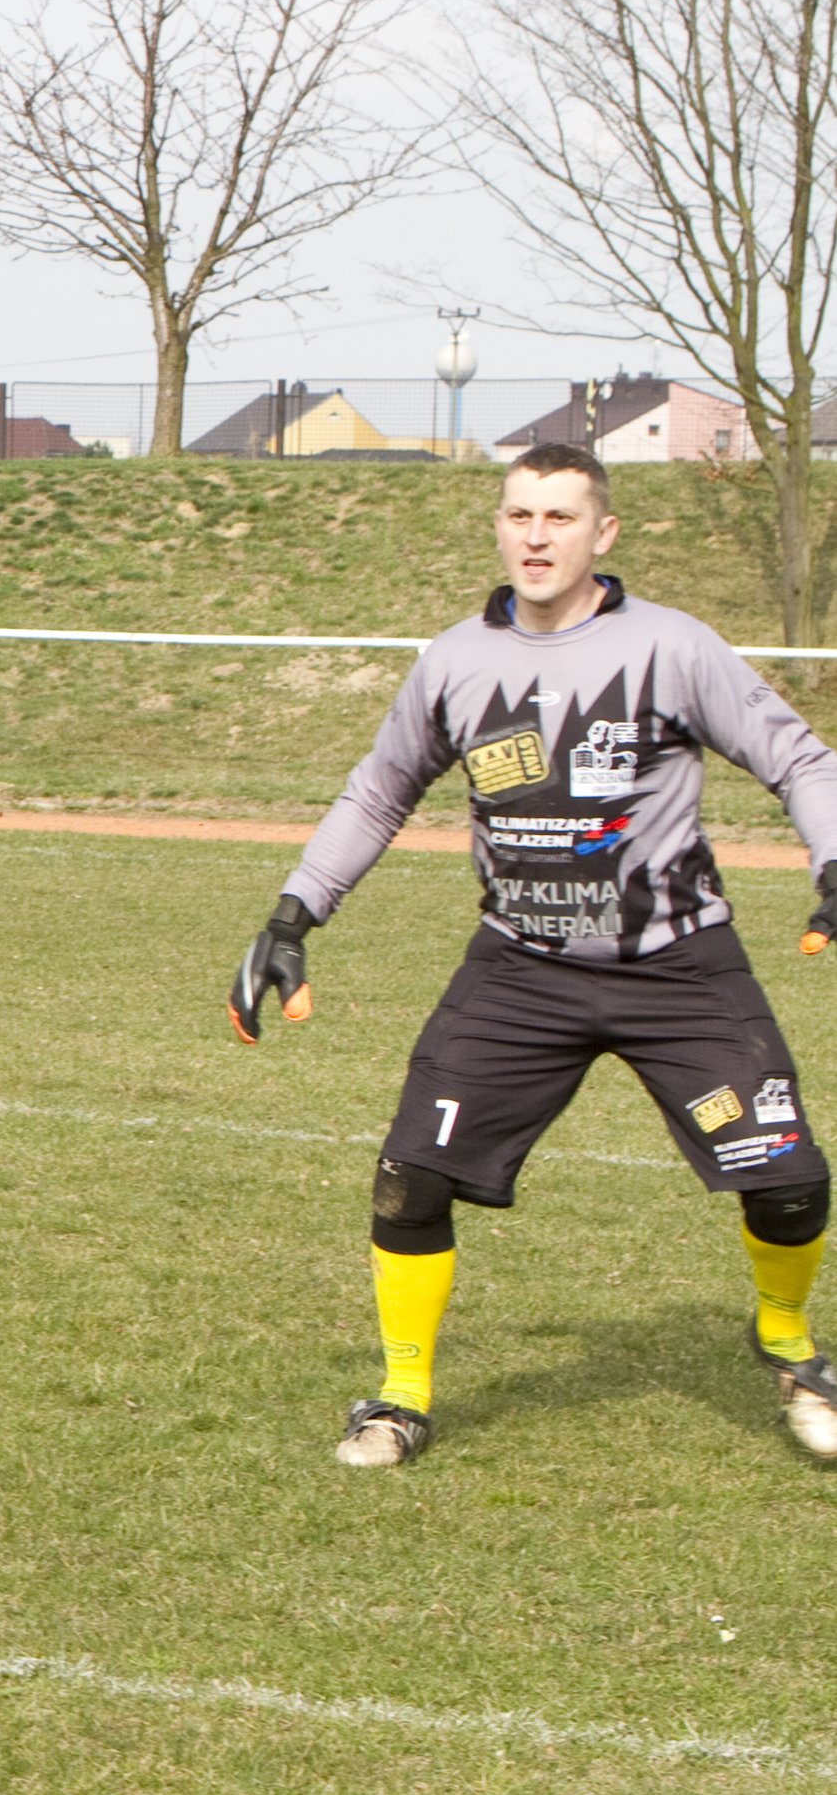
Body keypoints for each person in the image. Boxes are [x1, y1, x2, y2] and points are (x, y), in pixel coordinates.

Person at [229, 441, 837, 1469]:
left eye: (560, 517)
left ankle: (785, 1341)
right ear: (500, 528)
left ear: (602, 532)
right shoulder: (456, 663)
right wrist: (294, 912)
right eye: (520, 516)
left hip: (676, 966)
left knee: (787, 1182)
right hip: (520, 972)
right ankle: (398, 1398)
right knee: (407, 1181)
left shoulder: (672, 648)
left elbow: (795, 758)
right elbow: (377, 793)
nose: (537, 535)